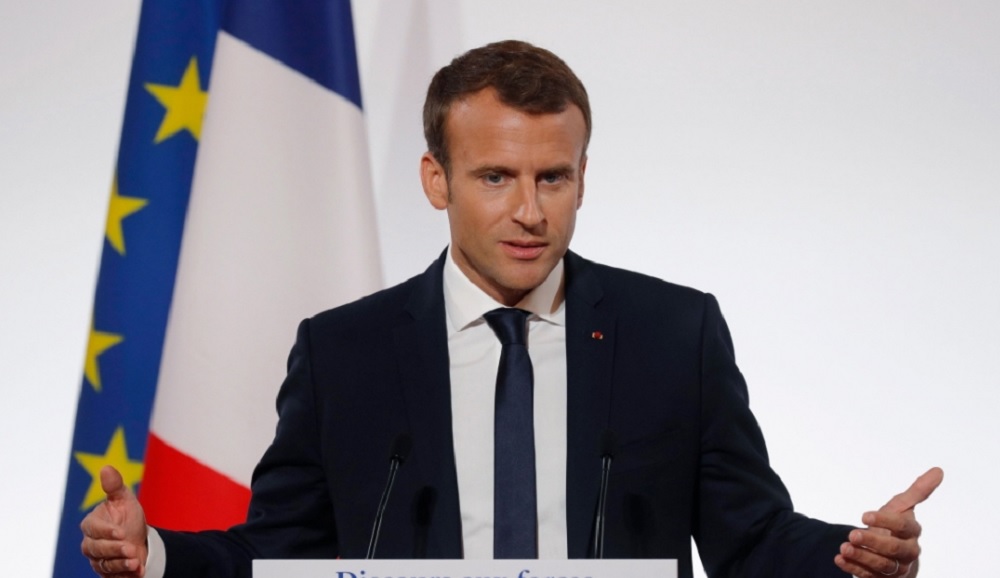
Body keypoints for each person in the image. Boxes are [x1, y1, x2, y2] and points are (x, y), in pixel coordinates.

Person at [80, 40, 942, 578]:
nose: (530, 211)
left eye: (552, 178)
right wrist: (153, 554)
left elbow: (751, 540)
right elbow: (279, 554)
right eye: (495, 177)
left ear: (580, 180)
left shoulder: (673, 335)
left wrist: (855, 560)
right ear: (437, 180)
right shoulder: (346, 352)